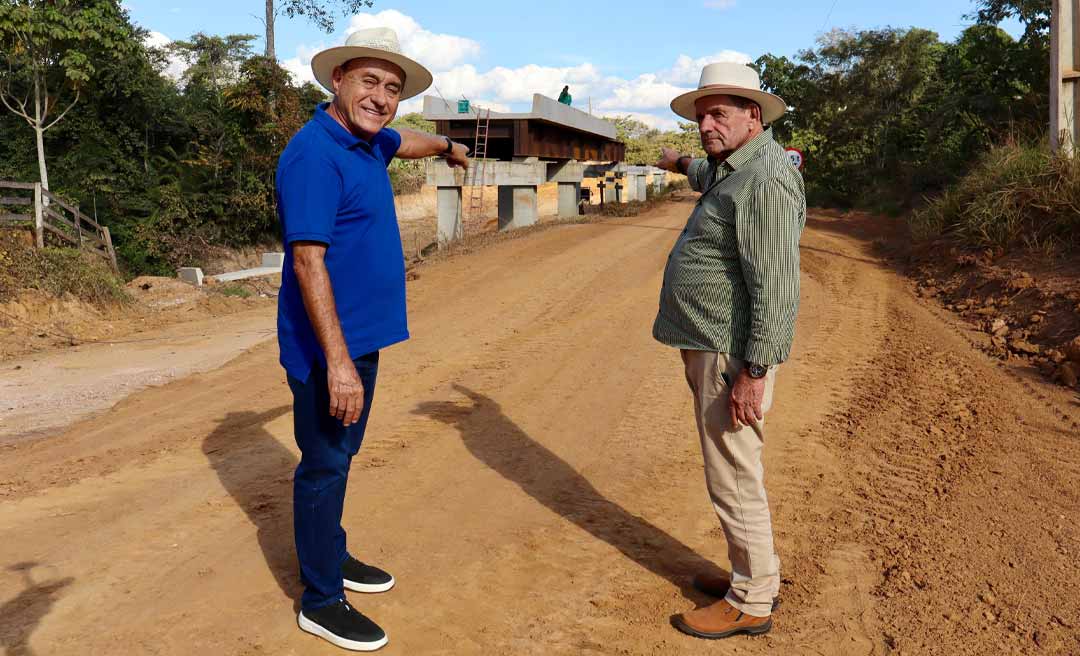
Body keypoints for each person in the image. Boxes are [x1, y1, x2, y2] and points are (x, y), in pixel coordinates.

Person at [275, 26, 469, 652]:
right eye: (368, 81)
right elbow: (308, 262)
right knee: (325, 463)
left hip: (360, 342)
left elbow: (401, 140)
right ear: (336, 80)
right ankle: (321, 598)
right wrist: (337, 363)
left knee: (342, 455)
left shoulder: (366, 141)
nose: (381, 98)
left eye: (392, 88)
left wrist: (445, 144)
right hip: (329, 350)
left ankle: (333, 553)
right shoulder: (314, 154)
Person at [652, 62, 805, 640]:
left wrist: (754, 372)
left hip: (732, 353)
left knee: (734, 473)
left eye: (719, 114)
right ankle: (752, 572)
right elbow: (703, 173)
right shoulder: (730, 168)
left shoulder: (762, 180)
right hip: (714, 345)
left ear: (753, 117)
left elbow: (776, 285)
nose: (706, 125)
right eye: (701, 116)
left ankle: (752, 600)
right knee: (731, 467)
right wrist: (673, 162)